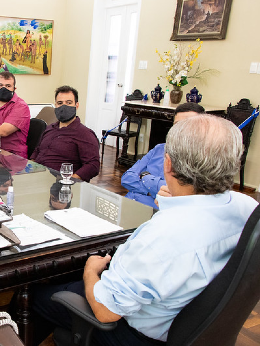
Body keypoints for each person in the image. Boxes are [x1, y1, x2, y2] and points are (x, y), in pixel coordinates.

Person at [31, 115, 258, 345]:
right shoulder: (248, 207)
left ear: (167, 164)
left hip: (133, 333)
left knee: (35, 298)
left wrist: (90, 271)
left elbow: (105, 312)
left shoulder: (163, 236)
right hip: (193, 323)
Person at [121, 102, 205, 208]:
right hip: (128, 204)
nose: (181, 130)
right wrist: (152, 191)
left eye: (188, 125)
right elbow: (127, 178)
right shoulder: (160, 148)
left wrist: (145, 177)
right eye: (177, 125)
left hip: (155, 213)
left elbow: (175, 193)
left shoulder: (204, 160)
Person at [31, 86, 100, 182]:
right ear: (55, 105)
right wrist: (30, 168)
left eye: (69, 103)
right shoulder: (49, 128)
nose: (64, 106)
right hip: (37, 179)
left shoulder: (85, 134)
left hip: (59, 185)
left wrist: (69, 180)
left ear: (76, 105)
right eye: (60, 103)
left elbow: (93, 166)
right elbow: (37, 150)